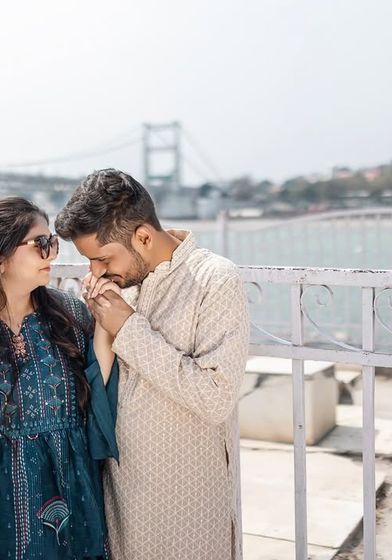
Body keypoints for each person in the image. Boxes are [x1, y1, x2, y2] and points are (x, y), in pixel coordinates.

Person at [54, 168, 250, 560]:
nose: (94, 271)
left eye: (102, 258)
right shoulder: (120, 287)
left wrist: (127, 327)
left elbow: (215, 398)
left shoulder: (214, 280)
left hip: (190, 505)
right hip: (121, 500)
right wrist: (103, 327)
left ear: (143, 236)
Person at [0, 197, 118, 560]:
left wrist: (103, 317)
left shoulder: (69, 313)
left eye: (52, 243)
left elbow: (98, 384)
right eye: (40, 244)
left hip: (72, 486)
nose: (51, 254)